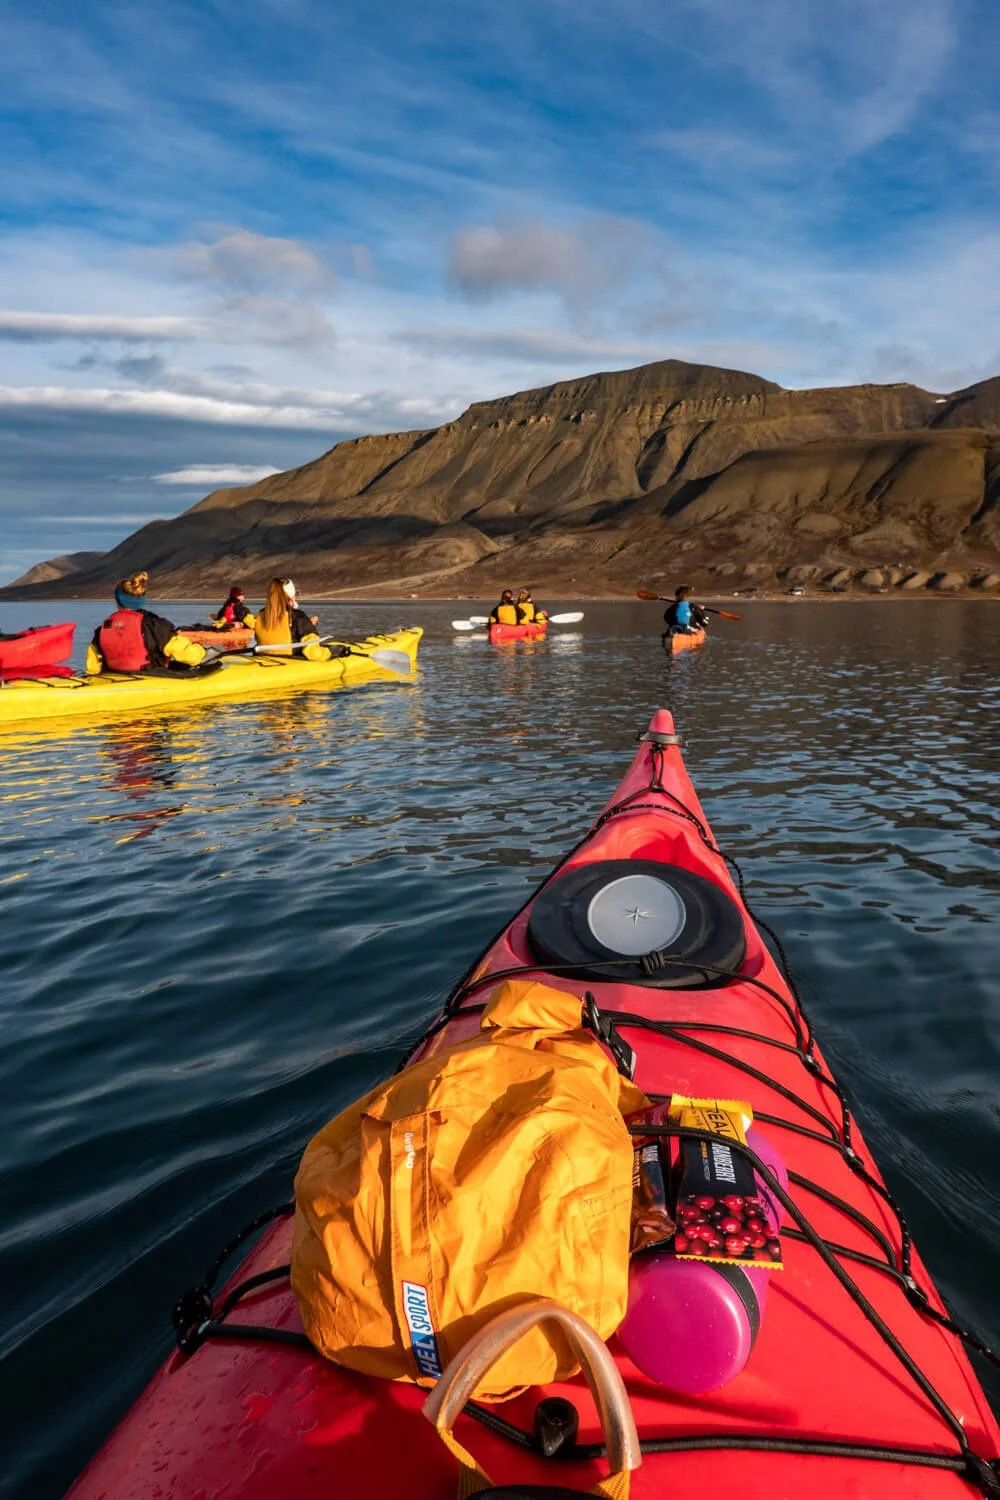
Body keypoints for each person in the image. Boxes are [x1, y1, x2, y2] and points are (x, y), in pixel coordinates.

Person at [86, 572, 209, 674]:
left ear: (117, 600)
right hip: (149, 676)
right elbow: (191, 656)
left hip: (115, 676)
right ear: (141, 600)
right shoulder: (155, 625)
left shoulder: (102, 629)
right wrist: (202, 651)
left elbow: (92, 667)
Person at [252, 577, 342, 660]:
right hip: (289, 661)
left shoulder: (260, 615)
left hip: (264, 658)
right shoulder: (299, 617)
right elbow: (312, 653)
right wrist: (334, 652)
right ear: (292, 597)